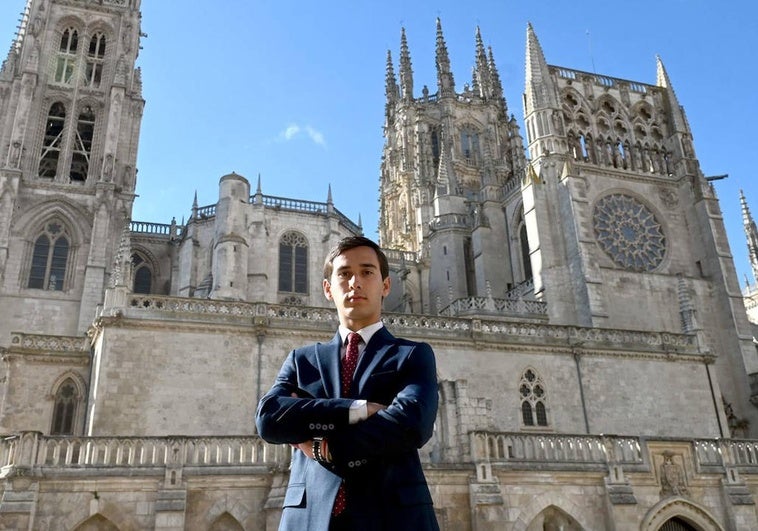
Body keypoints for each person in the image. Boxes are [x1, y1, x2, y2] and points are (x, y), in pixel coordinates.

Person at [256, 236, 440, 531]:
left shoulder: (413, 355)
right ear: (328, 289)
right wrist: (358, 409)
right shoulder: (301, 360)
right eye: (344, 274)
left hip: (394, 518)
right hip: (308, 518)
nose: (355, 282)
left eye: (367, 272)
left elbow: (412, 423)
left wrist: (321, 446)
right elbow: (268, 419)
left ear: (386, 286)